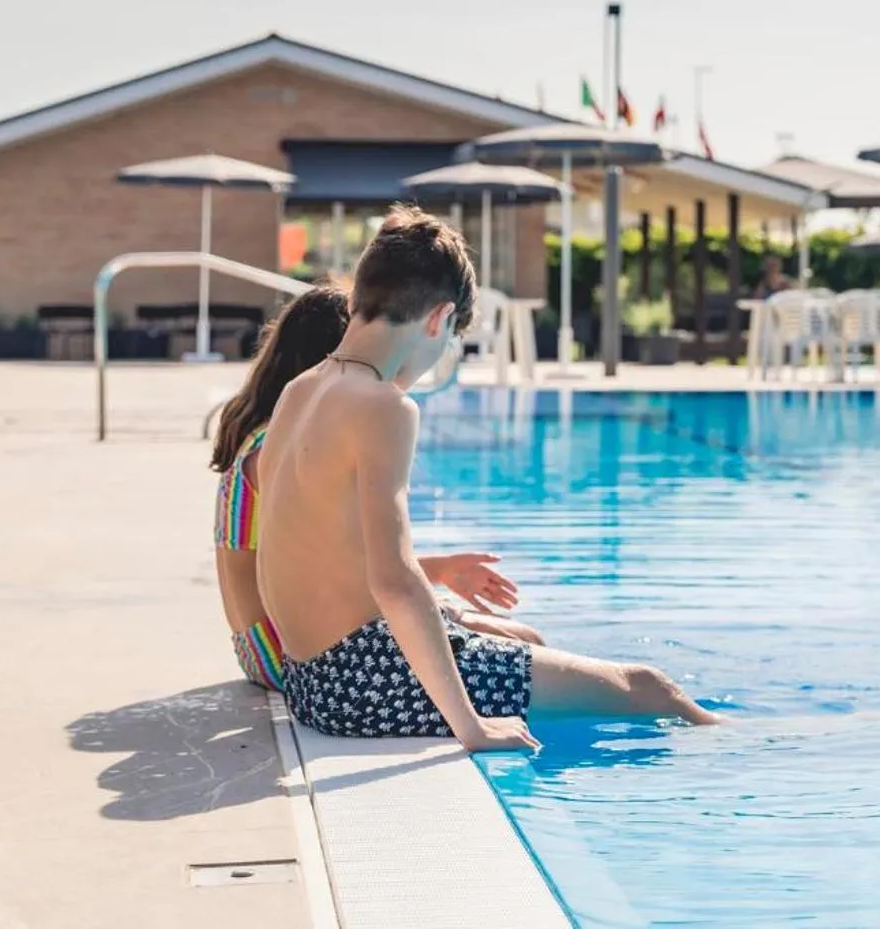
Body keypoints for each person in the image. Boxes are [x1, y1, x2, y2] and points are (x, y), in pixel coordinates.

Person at [258, 206, 719, 747]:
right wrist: (471, 726)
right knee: (650, 689)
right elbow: (395, 581)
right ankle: (757, 745)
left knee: (525, 641)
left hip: (309, 681)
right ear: (439, 319)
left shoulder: (300, 390)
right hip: (362, 681)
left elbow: (303, 556)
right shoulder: (383, 406)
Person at [211, 282, 542, 693]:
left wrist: (441, 573)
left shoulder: (267, 435)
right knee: (524, 644)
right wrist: (439, 584)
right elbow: (341, 575)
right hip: (287, 654)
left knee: (510, 640)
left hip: (264, 644)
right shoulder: (282, 449)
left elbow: (335, 563)